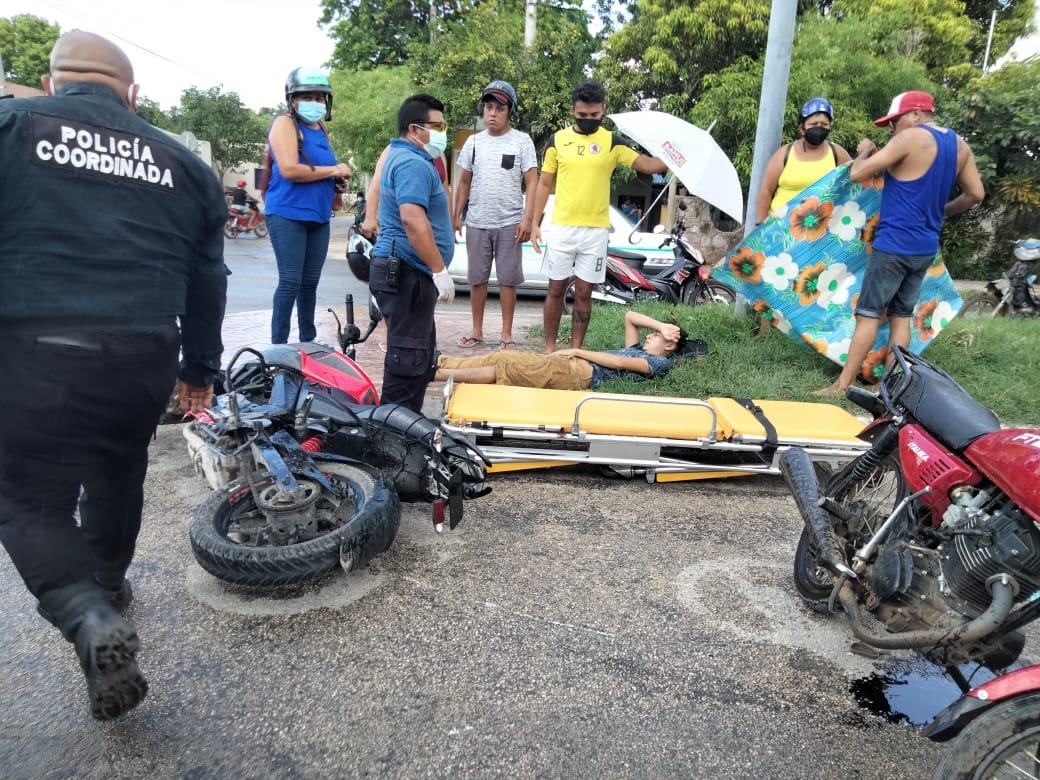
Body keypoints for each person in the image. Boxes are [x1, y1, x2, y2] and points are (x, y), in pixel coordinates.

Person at [0, 31, 227, 720]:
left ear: (52, 80)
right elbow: (207, 281)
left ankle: (86, 613)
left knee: (29, 499)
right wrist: (199, 373)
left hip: (32, 349)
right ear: (132, 94)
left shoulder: (12, 126)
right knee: (116, 473)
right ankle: (106, 589)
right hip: (142, 354)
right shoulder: (184, 164)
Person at [816, 90, 984, 396]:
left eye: (896, 120)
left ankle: (842, 386)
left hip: (893, 245)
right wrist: (943, 210)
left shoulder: (910, 138)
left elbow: (857, 173)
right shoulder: (960, 146)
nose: (893, 128)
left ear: (917, 114)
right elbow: (975, 194)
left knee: (868, 314)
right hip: (924, 248)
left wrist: (866, 150)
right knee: (901, 316)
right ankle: (889, 386)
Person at [530, 80, 669, 352]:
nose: (589, 120)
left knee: (583, 293)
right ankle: (549, 350)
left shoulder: (612, 142)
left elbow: (649, 165)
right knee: (555, 291)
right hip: (562, 229)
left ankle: (576, 350)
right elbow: (545, 183)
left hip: (595, 233)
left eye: (595, 116)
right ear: (573, 110)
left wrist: (674, 154)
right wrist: (535, 223)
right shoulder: (557, 140)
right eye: (583, 116)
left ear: (603, 110)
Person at [368, 94, 456, 413]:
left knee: (418, 358)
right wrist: (439, 270)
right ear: (416, 130)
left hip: (407, 272)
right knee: (407, 360)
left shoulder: (408, 158)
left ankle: (404, 429)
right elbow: (412, 218)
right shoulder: (411, 163)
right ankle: (391, 438)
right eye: (439, 125)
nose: (443, 132)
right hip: (405, 271)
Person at [264, 66, 353, 344]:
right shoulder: (285, 124)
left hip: (318, 216)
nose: (314, 102)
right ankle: (278, 347)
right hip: (287, 213)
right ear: (292, 99)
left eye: (319, 97)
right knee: (290, 281)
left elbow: (326, 169)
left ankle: (307, 341)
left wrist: (339, 182)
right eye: (307, 96)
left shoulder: (321, 128)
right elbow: (290, 169)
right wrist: (333, 170)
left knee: (309, 283)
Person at [452, 80, 538, 351]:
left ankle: (506, 334)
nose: (492, 113)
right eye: (488, 107)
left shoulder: (522, 141)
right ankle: (476, 331)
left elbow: (533, 183)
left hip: (510, 222)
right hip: (476, 221)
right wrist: (456, 215)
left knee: (508, 281)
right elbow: (463, 182)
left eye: (499, 108)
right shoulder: (473, 142)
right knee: (476, 279)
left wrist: (528, 219)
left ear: (509, 111)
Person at [435, 311, 691, 389]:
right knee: (502, 356)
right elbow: (629, 317)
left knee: (508, 368)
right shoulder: (637, 348)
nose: (649, 335)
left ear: (669, 345)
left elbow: (619, 363)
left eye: (656, 335)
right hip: (573, 365)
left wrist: (577, 352)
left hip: (580, 373)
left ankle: (434, 375)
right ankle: (441, 362)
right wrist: (661, 325)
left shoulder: (659, 364)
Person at [754, 97, 852, 225]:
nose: (819, 128)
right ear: (802, 128)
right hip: (781, 229)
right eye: (814, 124)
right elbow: (766, 191)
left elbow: (855, 180)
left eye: (824, 124)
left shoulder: (837, 153)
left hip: (821, 229)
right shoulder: (785, 153)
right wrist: (760, 226)